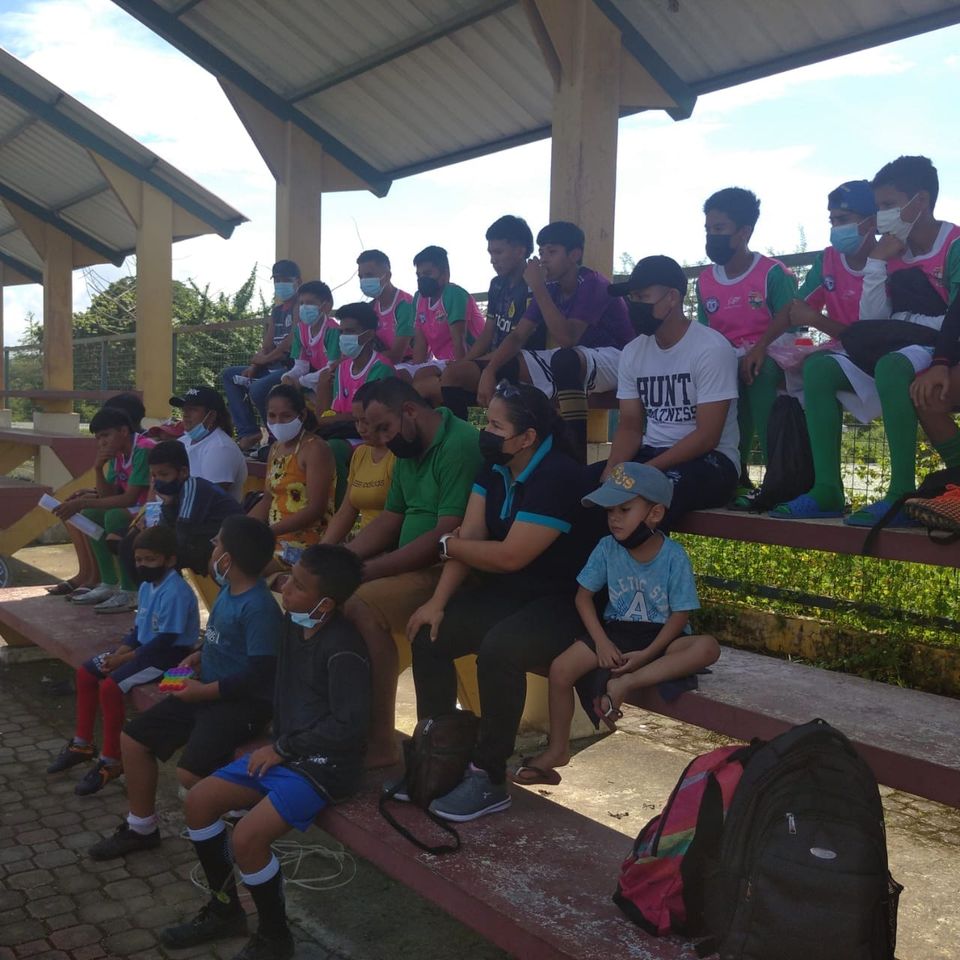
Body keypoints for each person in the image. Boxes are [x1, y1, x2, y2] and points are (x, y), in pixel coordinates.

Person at [158, 545, 369, 960]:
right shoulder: (292, 624)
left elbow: (348, 726)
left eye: (298, 586)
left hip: (323, 765)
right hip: (285, 752)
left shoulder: (344, 648)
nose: (285, 589)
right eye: (289, 577)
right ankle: (224, 910)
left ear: (326, 604)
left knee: (248, 838)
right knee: (199, 802)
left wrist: (284, 747)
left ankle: (275, 938)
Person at [406, 383, 600, 821]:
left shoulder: (557, 475)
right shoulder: (495, 466)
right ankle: (438, 755)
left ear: (527, 437)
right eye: (486, 422)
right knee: (430, 633)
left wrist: (449, 545)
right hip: (514, 591)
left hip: (568, 601)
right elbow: (472, 536)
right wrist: (438, 601)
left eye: (496, 425)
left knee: (500, 649)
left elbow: (510, 556)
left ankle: (489, 775)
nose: (485, 432)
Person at [88, 515, 283, 860]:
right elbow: (221, 640)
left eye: (217, 543)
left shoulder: (259, 607)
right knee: (133, 740)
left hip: (241, 704)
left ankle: (252, 807)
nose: (212, 548)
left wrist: (202, 692)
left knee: (189, 775)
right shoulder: (228, 591)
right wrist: (199, 656)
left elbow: (260, 675)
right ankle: (141, 828)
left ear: (228, 559)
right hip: (205, 689)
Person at [514, 463, 719, 785]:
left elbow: (680, 615)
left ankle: (626, 683)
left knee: (707, 647)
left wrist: (648, 653)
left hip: (663, 636)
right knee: (560, 669)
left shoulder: (674, 556)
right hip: (617, 631)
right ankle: (558, 750)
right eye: (610, 511)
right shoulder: (606, 548)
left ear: (655, 514)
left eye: (624, 509)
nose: (614, 518)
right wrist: (601, 642)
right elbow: (583, 597)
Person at [344, 378, 483, 768]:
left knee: (358, 604)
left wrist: (369, 570)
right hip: (411, 565)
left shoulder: (458, 444)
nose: (380, 439)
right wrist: (342, 560)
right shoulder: (406, 445)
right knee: (324, 592)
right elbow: (391, 517)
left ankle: (381, 739)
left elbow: (446, 536)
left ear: (409, 411)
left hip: (450, 570)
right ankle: (346, 727)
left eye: (384, 428)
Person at [841, 155, 960, 525]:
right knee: (926, 393)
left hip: (946, 349)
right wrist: (877, 261)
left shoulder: (954, 244)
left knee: (908, 375)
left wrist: (940, 363)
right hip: (923, 348)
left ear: (920, 201)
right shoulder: (894, 253)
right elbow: (873, 324)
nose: (881, 217)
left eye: (889, 205)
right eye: (878, 207)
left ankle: (904, 491)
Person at [46, 526, 200, 796]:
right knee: (86, 673)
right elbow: (139, 631)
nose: (143, 565)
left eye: (151, 559)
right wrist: (119, 653)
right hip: (143, 650)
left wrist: (124, 659)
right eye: (139, 559)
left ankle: (111, 760)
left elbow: (165, 641)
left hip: (169, 657)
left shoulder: (175, 591)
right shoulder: (147, 586)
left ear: (170, 560)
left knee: (110, 688)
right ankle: (82, 744)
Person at [768, 181, 880, 518]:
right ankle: (777, 480)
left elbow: (875, 336)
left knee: (817, 368)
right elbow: (794, 309)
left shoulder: (890, 261)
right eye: (832, 220)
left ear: (871, 221)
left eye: (843, 219)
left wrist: (816, 321)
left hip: (883, 353)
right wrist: (760, 348)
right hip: (842, 352)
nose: (836, 228)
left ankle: (833, 489)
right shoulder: (829, 259)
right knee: (775, 369)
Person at [476, 221, 633, 459]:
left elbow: (567, 338)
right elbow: (518, 335)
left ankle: (575, 457)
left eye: (551, 252)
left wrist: (538, 287)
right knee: (505, 365)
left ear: (574, 255)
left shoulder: (593, 283)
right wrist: (490, 369)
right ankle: (500, 452)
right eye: (541, 253)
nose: (544, 259)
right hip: (581, 360)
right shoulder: (550, 287)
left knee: (565, 359)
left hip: (620, 359)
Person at [605, 256, 740, 527]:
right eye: (632, 298)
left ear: (672, 297)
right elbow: (630, 425)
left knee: (645, 500)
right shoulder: (633, 351)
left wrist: (644, 472)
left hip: (712, 462)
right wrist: (612, 470)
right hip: (651, 454)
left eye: (643, 297)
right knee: (583, 489)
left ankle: (647, 557)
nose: (634, 305)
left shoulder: (711, 349)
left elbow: (707, 437)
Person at [696, 188, 798, 505]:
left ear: (744, 231)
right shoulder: (705, 280)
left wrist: (759, 349)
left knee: (758, 373)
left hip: (771, 355)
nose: (711, 236)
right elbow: (705, 332)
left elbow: (790, 321)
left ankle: (777, 479)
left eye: (719, 228)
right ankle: (732, 476)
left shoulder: (773, 273)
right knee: (719, 386)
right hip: (726, 359)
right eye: (708, 229)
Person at [52, 406, 155, 614]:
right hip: (133, 508)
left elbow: (129, 498)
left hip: (151, 508)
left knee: (114, 516)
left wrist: (82, 503)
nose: (102, 443)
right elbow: (107, 495)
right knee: (90, 516)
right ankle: (109, 583)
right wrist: (98, 469)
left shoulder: (143, 449)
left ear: (124, 431)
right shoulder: (117, 453)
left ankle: (130, 590)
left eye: (106, 435)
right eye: (98, 438)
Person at [439, 215, 535, 419]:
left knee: (453, 376)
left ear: (520, 251)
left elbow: (519, 339)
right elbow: (488, 332)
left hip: (519, 359)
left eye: (498, 252)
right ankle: (480, 428)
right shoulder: (496, 284)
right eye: (490, 253)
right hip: (494, 358)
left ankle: (473, 430)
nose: (493, 259)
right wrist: (466, 360)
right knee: (448, 374)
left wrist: (482, 364)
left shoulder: (532, 285)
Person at [118, 441, 244, 580]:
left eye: (164, 475)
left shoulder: (193, 487)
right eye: (154, 476)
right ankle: (149, 590)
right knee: (129, 544)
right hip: (198, 541)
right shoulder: (174, 493)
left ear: (183, 472)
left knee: (160, 554)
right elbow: (167, 529)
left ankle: (169, 590)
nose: (158, 480)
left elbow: (182, 534)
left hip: (225, 547)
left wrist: (165, 514)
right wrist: (167, 504)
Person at [247, 384, 335, 572]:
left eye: (286, 416)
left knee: (244, 568)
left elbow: (316, 509)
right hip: (274, 539)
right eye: (272, 416)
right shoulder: (275, 448)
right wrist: (242, 529)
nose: (278, 422)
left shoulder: (315, 449)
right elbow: (268, 499)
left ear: (301, 415)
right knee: (223, 557)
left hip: (305, 544)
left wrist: (267, 532)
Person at [222, 260, 301, 453]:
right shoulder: (277, 311)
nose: (280, 284)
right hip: (270, 367)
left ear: (297, 281)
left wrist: (264, 360)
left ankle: (275, 437)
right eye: (277, 280)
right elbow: (267, 345)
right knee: (230, 375)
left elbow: (290, 342)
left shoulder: (300, 306)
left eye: (285, 279)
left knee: (258, 389)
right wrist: (255, 366)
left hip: (289, 368)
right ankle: (248, 432)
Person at [397, 245, 485, 393]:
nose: (422, 279)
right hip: (442, 362)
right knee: (398, 374)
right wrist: (416, 369)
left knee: (422, 380)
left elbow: (460, 341)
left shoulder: (454, 294)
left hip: (470, 359)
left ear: (445, 273)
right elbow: (420, 343)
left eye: (428, 273)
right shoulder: (418, 298)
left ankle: (463, 402)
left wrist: (460, 372)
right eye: (419, 275)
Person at [322, 383, 395, 544]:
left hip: (386, 547)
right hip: (362, 545)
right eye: (356, 421)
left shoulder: (398, 456)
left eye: (366, 421)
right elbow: (346, 512)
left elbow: (394, 520)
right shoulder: (361, 453)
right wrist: (322, 548)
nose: (361, 428)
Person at [314, 302, 396, 430]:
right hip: (344, 431)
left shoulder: (381, 368)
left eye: (350, 331)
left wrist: (327, 419)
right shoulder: (342, 368)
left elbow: (366, 416)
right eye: (342, 332)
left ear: (369, 335)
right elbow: (337, 411)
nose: (343, 337)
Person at [170, 385, 248, 501]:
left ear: (211, 416)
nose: (185, 414)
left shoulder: (221, 448)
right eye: (184, 409)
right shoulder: (182, 442)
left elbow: (209, 501)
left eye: (193, 409)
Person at [280, 280, 340, 394]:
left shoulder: (333, 330)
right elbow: (301, 366)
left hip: (332, 381)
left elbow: (331, 368)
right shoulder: (300, 330)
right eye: (301, 303)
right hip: (313, 380)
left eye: (310, 303)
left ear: (325, 306)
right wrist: (287, 376)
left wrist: (302, 381)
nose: (304, 307)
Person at [357, 249, 414, 365]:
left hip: (407, 365)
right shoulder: (370, 308)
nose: (364, 281)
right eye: (361, 277)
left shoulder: (405, 305)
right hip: (378, 364)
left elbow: (396, 356)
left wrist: (361, 360)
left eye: (369, 275)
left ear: (387, 276)